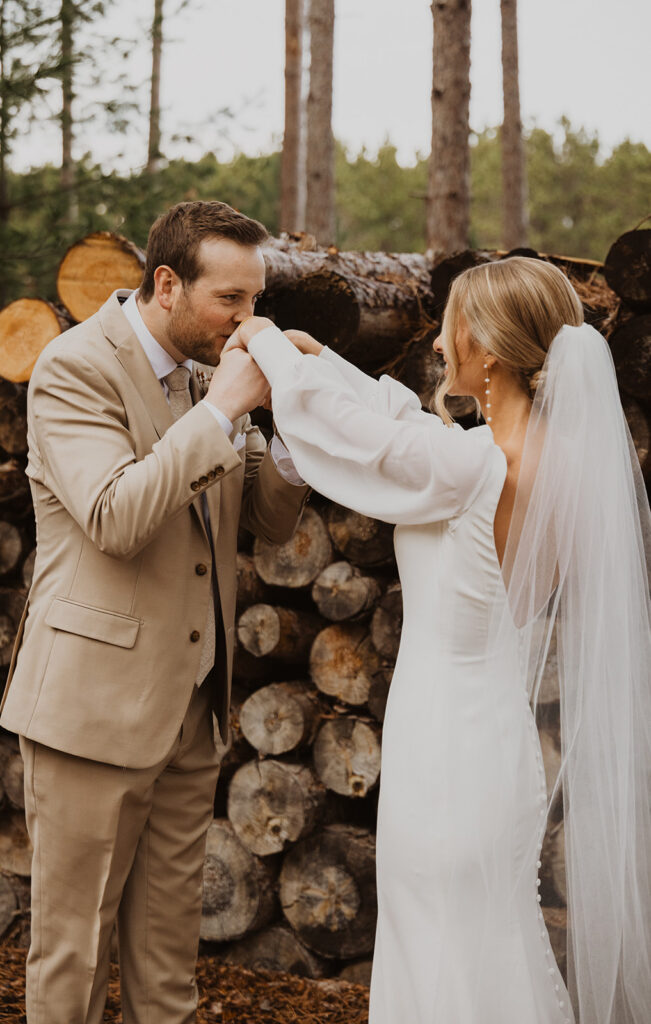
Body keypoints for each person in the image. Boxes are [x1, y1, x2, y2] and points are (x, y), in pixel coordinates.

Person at [227, 256, 651, 1024]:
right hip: (485, 734)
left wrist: (270, 350)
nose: (436, 346)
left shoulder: (473, 465)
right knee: (481, 939)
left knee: (442, 945)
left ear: (487, 348)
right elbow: (405, 430)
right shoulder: (533, 456)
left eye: (453, 327)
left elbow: (360, 444)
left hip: (449, 747)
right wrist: (324, 362)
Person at [0, 200, 310, 1024]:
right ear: (167, 284)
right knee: (74, 959)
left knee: (168, 963)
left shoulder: (211, 377)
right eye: (231, 301)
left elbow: (271, 522)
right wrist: (220, 412)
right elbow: (115, 517)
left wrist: (290, 414)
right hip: (91, 712)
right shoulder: (74, 367)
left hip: (190, 707)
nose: (248, 320)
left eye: (256, 301)